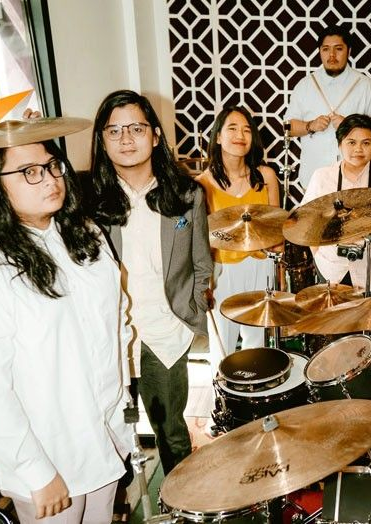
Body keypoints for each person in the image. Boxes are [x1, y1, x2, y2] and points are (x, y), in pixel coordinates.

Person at [0, 123, 132, 522]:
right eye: (29, 171)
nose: (49, 178)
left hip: (106, 437)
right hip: (48, 460)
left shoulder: (85, 234)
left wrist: (123, 414)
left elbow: (117, 323)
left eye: (52, 165)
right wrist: (36, 471)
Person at [88, 90, 213, 475]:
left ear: (155, 135)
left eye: (136, 128)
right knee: (109, 432)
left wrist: (190, 313)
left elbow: (201, 263)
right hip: (108, 336)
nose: (126, 138)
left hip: (164, 333)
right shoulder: (89, 199)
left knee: (170, 433)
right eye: (114, 131)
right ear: (102, 141)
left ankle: (181, 500)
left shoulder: (187, 194)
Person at [194, 105, 280, 356]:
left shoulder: (266, 176)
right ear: (218, 137)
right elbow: (199, 238)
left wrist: (278, 250)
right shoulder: (202, 183)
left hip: (261, 264)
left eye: (246, 130)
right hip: (222, 268)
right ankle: (221, 383)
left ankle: (254, 381)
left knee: (257, 342)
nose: (240, 135)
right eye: (232, 128)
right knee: (223, 343)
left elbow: (276, 225)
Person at [301, 113, 371, 289]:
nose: (358, 149)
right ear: (340, 144)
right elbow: (307, 221)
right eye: (351, 142)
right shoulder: (322, 176)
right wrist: (317, 255)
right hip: (331, 267)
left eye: (366, 143)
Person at [285, 23, 371, 189]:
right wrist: (310, 125)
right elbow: (287, 127)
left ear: (349, 51)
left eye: (338, 49)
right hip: (314, 178)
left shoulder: (364, 85)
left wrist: (351, 125)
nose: (331, 55)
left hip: (357, 181)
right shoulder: (305, 85)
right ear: (319, 51)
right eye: (326, 49)